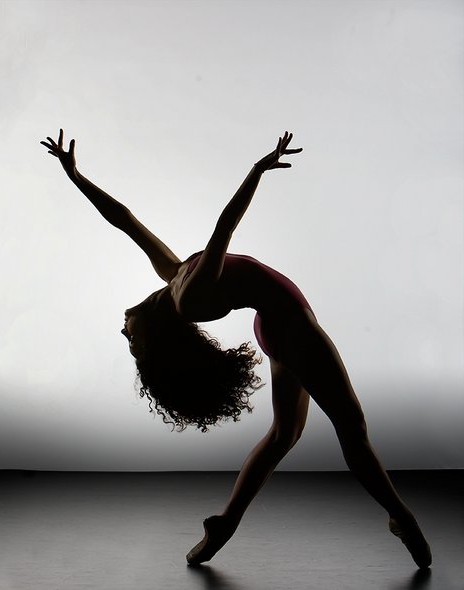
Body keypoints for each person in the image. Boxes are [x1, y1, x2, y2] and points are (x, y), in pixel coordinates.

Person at [40, 129, 432, 569]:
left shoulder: (172, 278)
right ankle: (401, 516)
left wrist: (75, 176)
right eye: (132, 341)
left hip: (277, 328)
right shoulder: (189, 296)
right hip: (290, 329)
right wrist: (256, 171)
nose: (123, 331)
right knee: (352, 426)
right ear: (152, 332)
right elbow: (224, 225)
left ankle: (224, 525)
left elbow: (125, 219)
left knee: (284, 435)